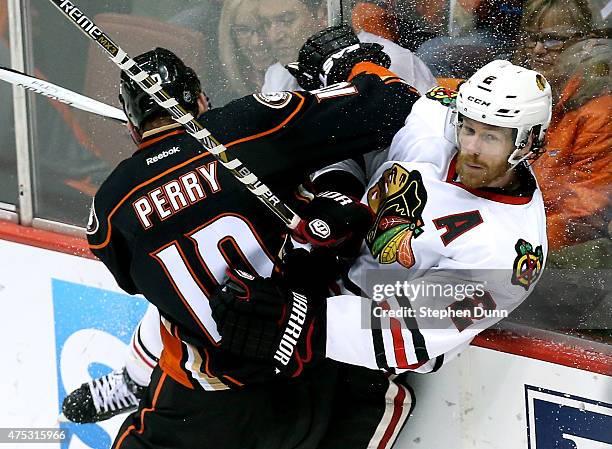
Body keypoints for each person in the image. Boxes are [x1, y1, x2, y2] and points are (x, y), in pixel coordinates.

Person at [78, 27, 420, 448]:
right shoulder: (244, 126)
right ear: (201, 100)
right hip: (303, 365)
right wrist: (352, 65)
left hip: (199, 402)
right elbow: (393, 106)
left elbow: (135, 278)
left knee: (173, 302)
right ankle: (133, 377)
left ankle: (136, 378)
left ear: (133, 127)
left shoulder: (110, 205)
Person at [210, 58, 552, 389]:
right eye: (469, 128)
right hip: (313, 272)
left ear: (529, 143)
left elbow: (405, 330)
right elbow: (356, 140)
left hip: (355, 363)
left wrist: (298, 322)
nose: (471, 148)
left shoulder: (507, 255)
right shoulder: (435, 119)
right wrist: (337, 194)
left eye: (491, 137)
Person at [258, 0, 437, 94]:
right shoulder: (276, 74)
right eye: (266, 24)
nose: (274, 36)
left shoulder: (391, 60)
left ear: (324, 13)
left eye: (286, 20)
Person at [218, 0, 275, 100]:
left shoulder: (303, 79)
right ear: (231, 36)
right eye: (243, 30)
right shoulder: (221, 89)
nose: (256, 42)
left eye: (263, 27)